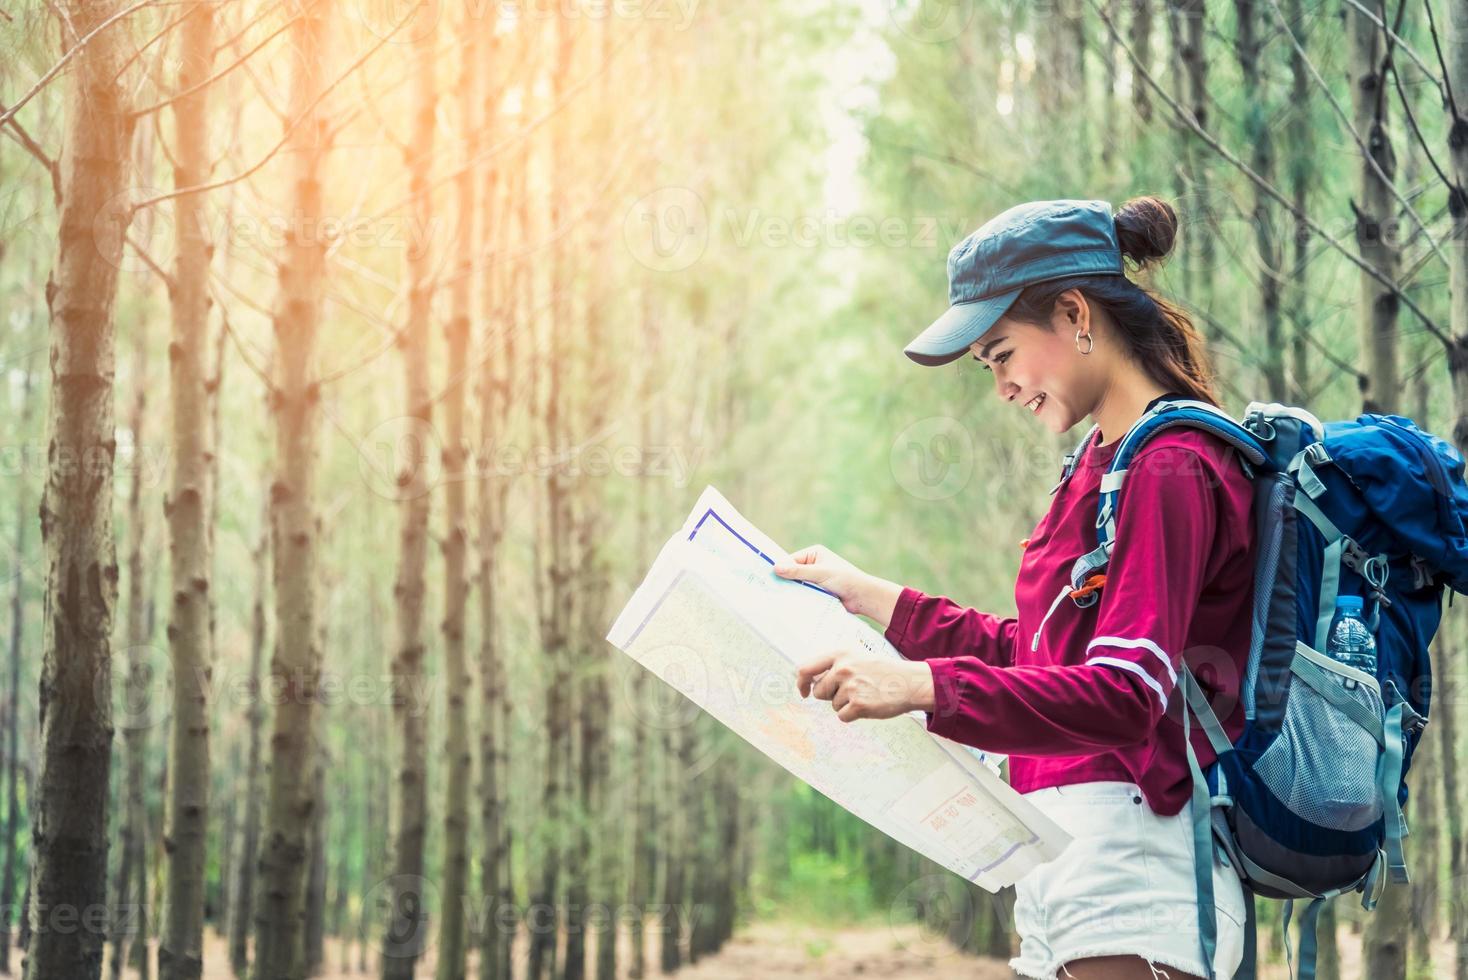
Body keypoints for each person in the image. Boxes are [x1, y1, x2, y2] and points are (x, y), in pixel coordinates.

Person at [773, 198, 1254, 980]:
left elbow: (1128, 693)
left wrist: (925, 685)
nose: (999, 385)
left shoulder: (1171, 465)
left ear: (1074, 314)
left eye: (1001, 353)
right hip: (1066, 855)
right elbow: (1039, 656)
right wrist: (873, 598)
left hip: (1131, 861)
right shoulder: (1102, 467)